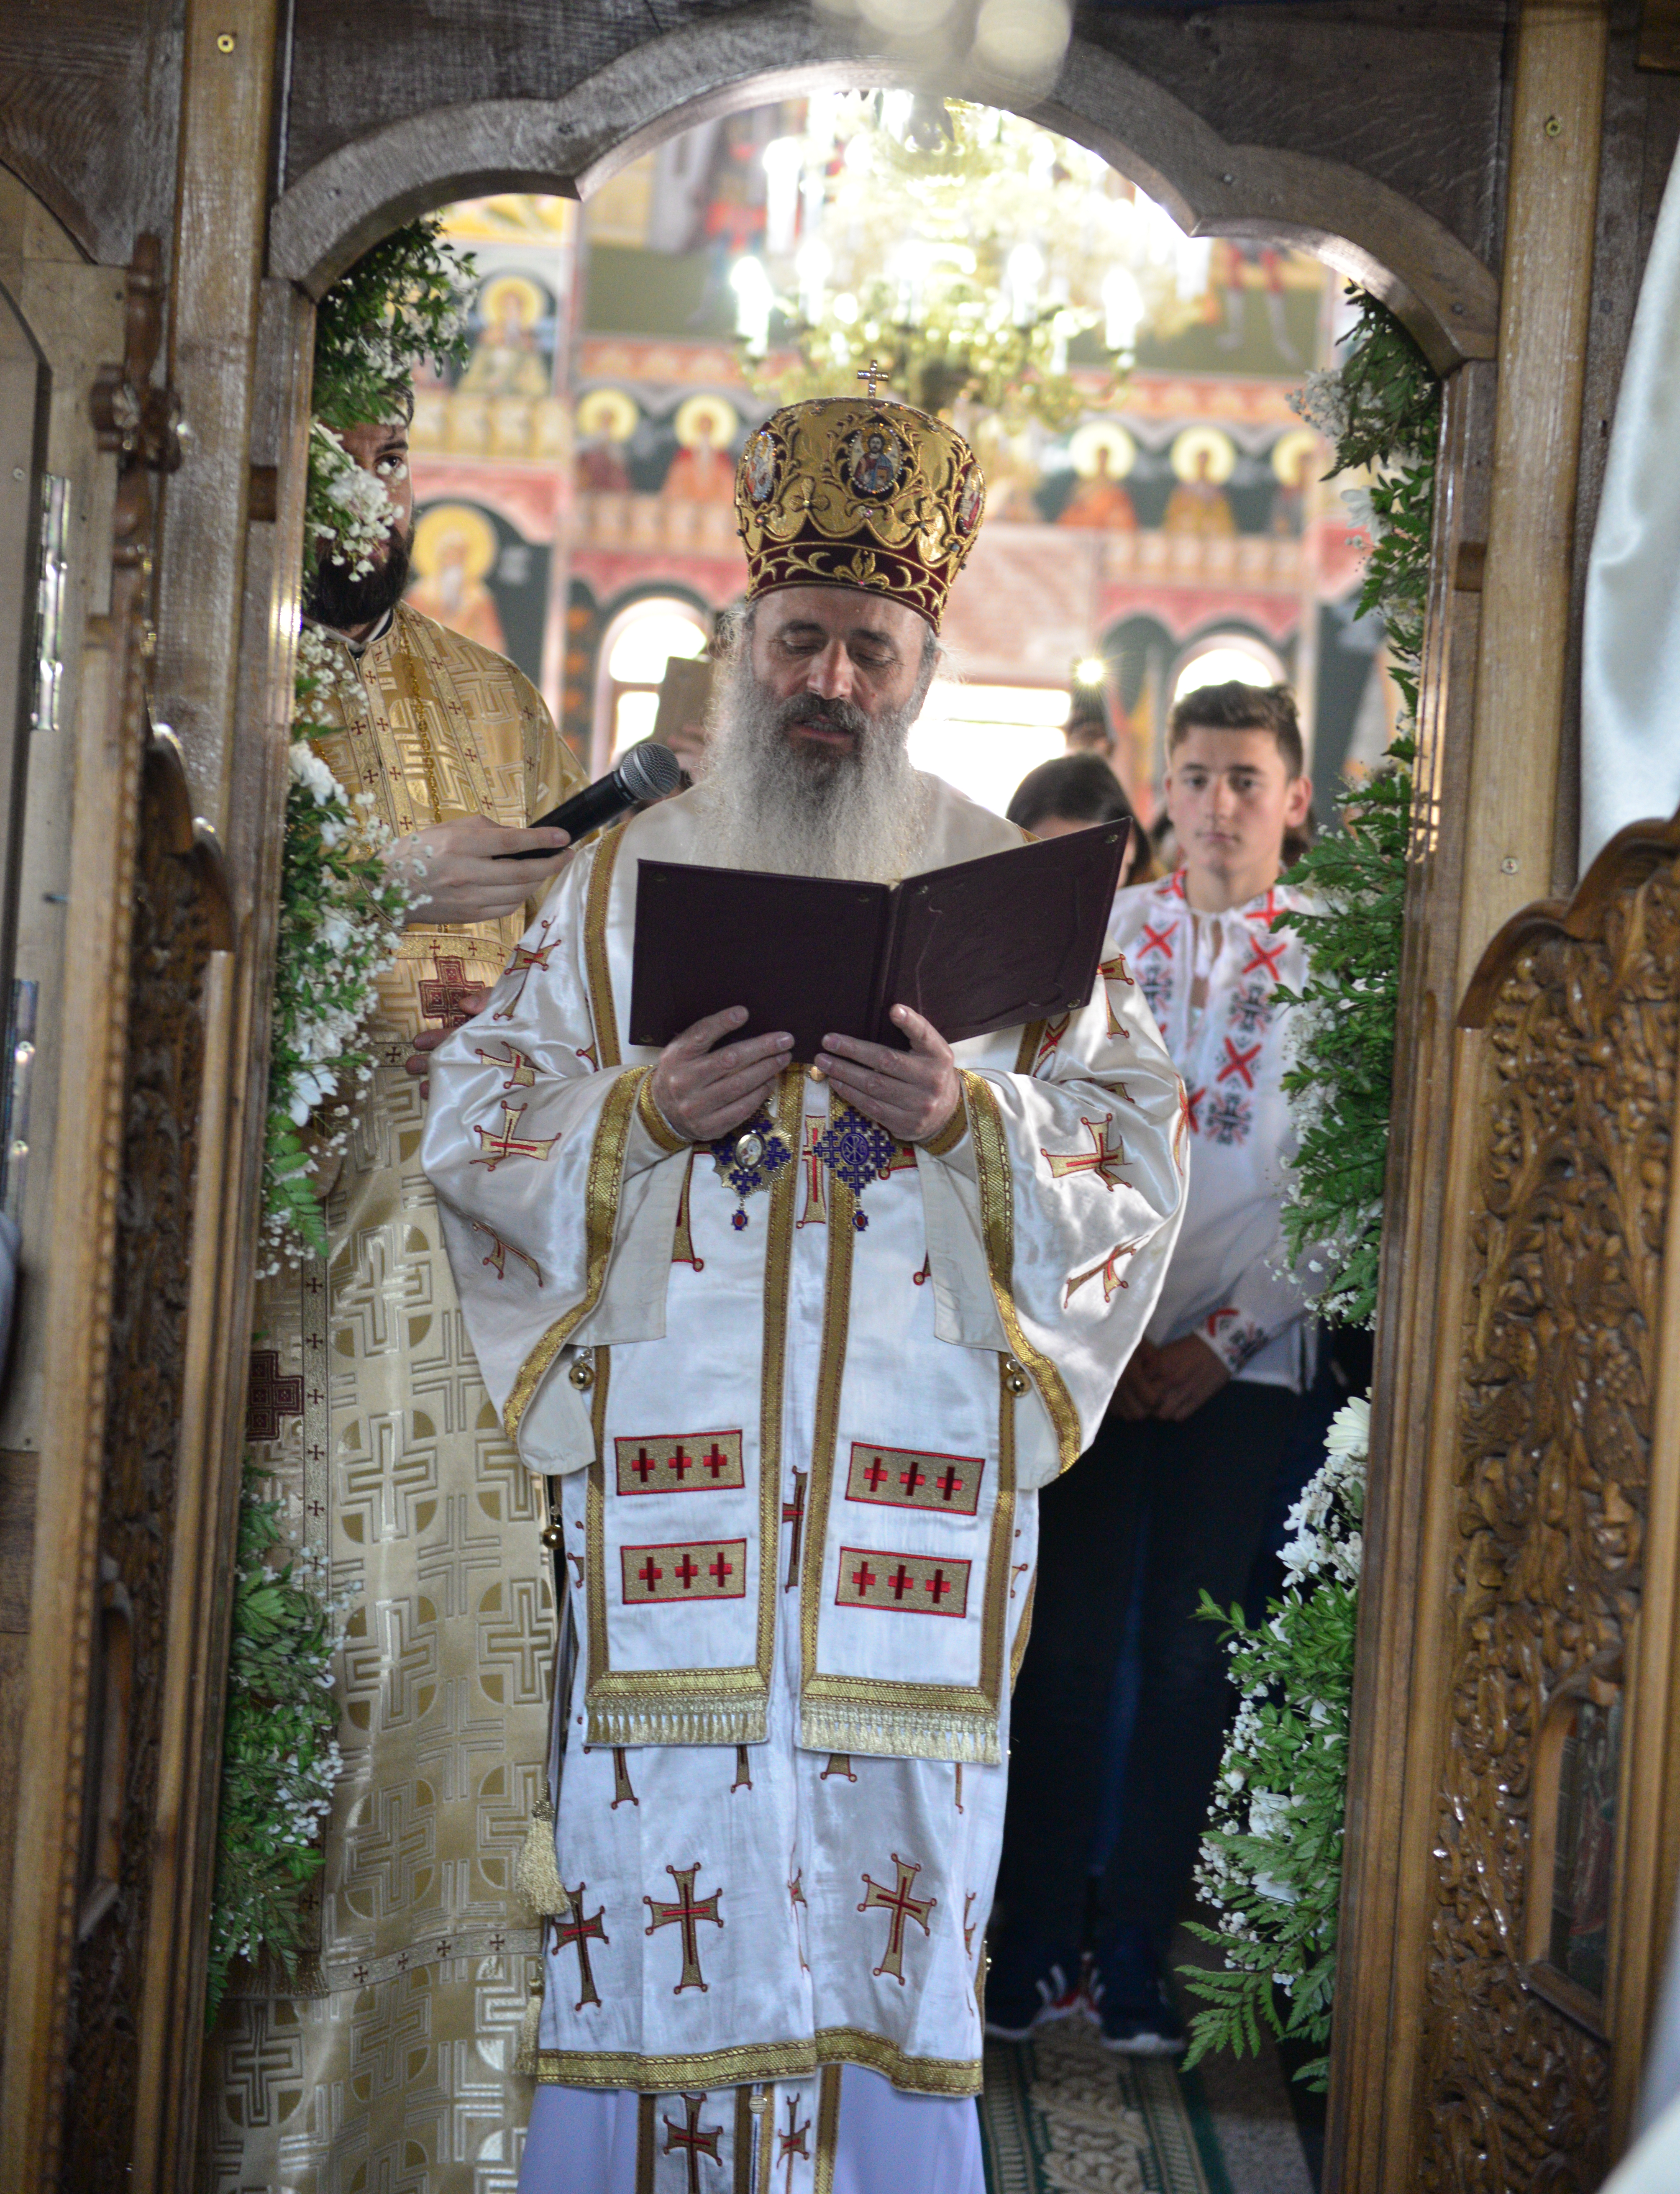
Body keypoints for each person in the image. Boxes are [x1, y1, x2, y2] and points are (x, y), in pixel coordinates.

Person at [421, 395, 1190, 2191]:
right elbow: (478, 1110)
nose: (827, 674)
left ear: (917, 664)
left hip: (899, 1538)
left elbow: (1132, 1147)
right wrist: (627, 1115)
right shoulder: (613, 883)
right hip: (674, 1515)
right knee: (648, 1881)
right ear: (743, 645)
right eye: (798, 639)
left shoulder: (1016, 904)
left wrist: (974, 1117)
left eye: (868, 645)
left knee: (891, 1896)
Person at [204, 387, 583, 2189]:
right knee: (292, 1725)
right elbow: (132, 947)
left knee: (459, 1730)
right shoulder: (205, 679)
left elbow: (593, 1003)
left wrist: (503, 1016)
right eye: (339, 433)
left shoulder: (495, 699)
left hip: (473, 1325)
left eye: (391, 438)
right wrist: (363, 919)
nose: (373, 473)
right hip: (266, 1306)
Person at [989, 679, 1318, 2055]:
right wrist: (1108, 1323)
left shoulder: (1346, 965)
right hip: (1093, 1350)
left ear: (1294, 796)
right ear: (1160, 794)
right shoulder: (1097, 940)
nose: (1216, 803)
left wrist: (1221, 1335)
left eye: (1244, 777)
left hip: (1243, 1366)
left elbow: (1351, 1186)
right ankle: (1028, 1943)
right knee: (1056, 1649)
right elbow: (1036, 1130)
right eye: (1192, 776)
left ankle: (1134, 1943)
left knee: (1190, 1662)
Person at [1006, 751, 1155, 884]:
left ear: (1129, 842)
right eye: (1047, 860)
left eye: (1087, 861)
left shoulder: (1170, 910)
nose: (1069, 882)